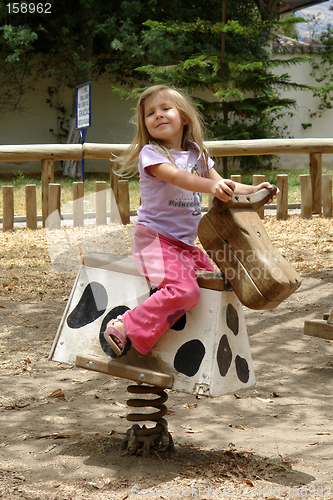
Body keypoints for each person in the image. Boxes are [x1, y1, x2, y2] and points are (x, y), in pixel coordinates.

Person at [104, 84, 275, 357]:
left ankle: (204, 348)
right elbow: (177, 177)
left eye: (165, 109)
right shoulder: (152, 154)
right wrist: (209, 187)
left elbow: (221, 183)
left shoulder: (197, 152)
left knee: (216, 284)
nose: (158, 115)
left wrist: (253, 191)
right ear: (144, 124)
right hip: (154, 242)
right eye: (150, 113)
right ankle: (126, 323)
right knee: (185, 291)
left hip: (184, 245)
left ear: (184, 117)